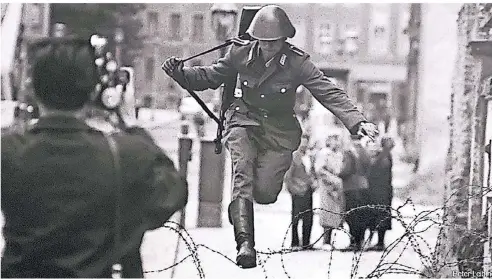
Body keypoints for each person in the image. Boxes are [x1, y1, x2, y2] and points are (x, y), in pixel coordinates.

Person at [162, 4, 378, 268]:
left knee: (264, 193)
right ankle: (245, 244)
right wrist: (181, 74)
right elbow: (211, 76)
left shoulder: (297, 62)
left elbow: (328, 92)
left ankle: (239, 209)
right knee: (241, 172)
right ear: (256, 39)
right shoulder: (240, 53)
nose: (268, 47)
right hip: (243, 120)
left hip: (278, 132)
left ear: (284, 39)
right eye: (263, 42)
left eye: (274, 42)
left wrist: (357, 122)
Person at [1, 37, 188, 278]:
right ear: (94, 91)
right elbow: (172, 196)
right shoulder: (125, 155)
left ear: (33, 89)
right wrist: (131, 124)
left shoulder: (9, 151)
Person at [338, 135, 373, 252]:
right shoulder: (365, 151)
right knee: (361, 214)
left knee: (351, 215)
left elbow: (346, 170)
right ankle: (361, 240)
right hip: (364, 185)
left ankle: (353, 241)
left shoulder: (349, 152)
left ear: (350, 139)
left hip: (351, 187)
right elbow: (369, 167)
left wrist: (339, 173)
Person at [284, 133, 317, 250]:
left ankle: (306, 242)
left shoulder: (310, 156)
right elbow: (288, 177)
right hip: (297, 192)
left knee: (308, 218)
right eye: (302, 141)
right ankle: (294, 243)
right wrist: (294, 189)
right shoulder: (293, 156)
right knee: (296, 218)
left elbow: (313, 172)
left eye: (306, 141)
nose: (304, 144)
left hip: (309, 191)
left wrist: (314, 183)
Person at [314, 132, 346, 250]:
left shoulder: (338, 154)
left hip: (337, 186)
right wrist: (332, 179)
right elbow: (319, 169)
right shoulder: (324, 154)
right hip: (327, 186)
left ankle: (331, 239)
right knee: (327, 212)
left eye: (338, 140)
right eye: (334, 140)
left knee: (335, 213)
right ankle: (325, 240)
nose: (337, 143)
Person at [366, 136, 395, 251]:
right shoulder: (384, 156)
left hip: (380, 190)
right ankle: (379, 241)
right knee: (380, 215)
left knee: (379, 216)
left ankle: (379, 242)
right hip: (382, 190)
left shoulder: (383, 156)